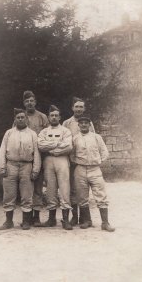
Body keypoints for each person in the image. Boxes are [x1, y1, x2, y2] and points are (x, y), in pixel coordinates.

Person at [0, 109, 41, 230]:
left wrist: (35, 170)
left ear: (26, 119)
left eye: (23, 117)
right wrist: (2, 168)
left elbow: (37, 153)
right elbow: (2, 151)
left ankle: (26, 221)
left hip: (27, 166)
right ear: (15, 119)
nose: (21, 119)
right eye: (18, 117)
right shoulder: (9, 133)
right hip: (11, 165)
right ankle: (8, 221)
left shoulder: (32, 134)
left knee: (27, 194)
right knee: (9, 194)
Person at [72, 115, 115, 232]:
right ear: (78, 125)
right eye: (82, 123)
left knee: (101, 195)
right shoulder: (75, 138)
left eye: (86, 123)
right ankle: (87, 220)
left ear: (90, 125)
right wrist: (77, 162)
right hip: (80, 169)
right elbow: (71, 154)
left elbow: (104, 152)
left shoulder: (97, 137)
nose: (84, 125)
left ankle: (105, 223)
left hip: (95, 169)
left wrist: (99, 161)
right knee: (82, 196)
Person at [14, 90, 49, 226]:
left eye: (31, 101)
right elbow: (15, 135)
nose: (29, 103)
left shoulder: (42, 117)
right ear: (24, 103)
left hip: (40, 155)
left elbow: (48, 134)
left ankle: (36, 217)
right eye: (27, 101)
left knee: (38, 187)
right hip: (25, 158)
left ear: (35, 102)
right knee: (26, 188)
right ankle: (27, 217)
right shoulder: (20, 117)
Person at [38, 105, 73, 230]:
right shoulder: (44, 132)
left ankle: (65, 219)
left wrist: (52, 149)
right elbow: (41, 145)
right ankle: (51, 219)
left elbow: (68, 146)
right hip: (48, 161)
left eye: (56, 115)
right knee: (50, 189)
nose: (54, 117)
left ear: (60, 117)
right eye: (51, 115)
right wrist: (57, 144)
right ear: (48, 117)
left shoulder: (65, 131)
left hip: (62, 160)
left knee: (64, 189)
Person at [63, 97, 95, 226]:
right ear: (72, 108)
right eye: (77, 106)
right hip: (70, 161)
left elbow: (92, 139)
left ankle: (84, 218)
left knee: (83, 190)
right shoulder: (67, 123)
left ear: (84, 109)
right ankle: (74, 217)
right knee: (72, 190)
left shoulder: (88, 123)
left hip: (83, 162)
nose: (79, 109)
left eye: (81, 107)